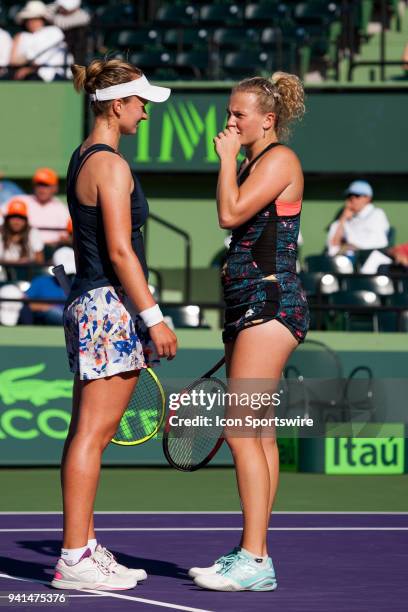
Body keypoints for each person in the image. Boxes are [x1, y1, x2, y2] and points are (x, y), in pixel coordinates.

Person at [50, 58, 177, 591]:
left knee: (86, 433)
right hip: (108, 306)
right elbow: (122, 252)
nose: (146, 112)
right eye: (141, 102)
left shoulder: (84, 157)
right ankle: (75, 556)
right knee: (93, 434)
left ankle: (84, 545)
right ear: (118, 104)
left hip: (89, 302)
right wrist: (155, 318)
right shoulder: (112, 166)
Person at [190, 73, 309, 592]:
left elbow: (228, 213)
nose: (230, 123)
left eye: (239, 115)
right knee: (258, 433)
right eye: (228, 113)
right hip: (246, 304)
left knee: (241, 430)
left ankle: (256, 558)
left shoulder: (279, 160)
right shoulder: (253, 161)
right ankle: (250, 550)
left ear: (269, 119)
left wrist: (223, 161)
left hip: (270, 302)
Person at [1, 167, 70, 246]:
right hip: (22, 247)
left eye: (46, 185)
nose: (42, 189)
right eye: (39, 185)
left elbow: (67, 236)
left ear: (55, 188)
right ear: (33, 186)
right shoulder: (20, 200)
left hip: (52, 249)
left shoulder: (62, 209)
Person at [10, 0, 72, 82]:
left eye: (36, 18)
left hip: (58, 77)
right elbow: (13, 61)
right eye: (29, 19)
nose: (32, 22)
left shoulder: (54, 32)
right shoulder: (24, 36)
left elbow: (37, 58)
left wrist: (27, 69)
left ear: (43, 19)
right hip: (36, 77)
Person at [326, 180, 390, 257]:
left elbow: (378, 243)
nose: (352, 199)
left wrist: (353, 247)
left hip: (372, 259)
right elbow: (333, 246)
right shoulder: (345, 217)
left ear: (368, 198)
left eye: (357, 195)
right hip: (349, 261)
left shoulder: (377, 214)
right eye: (349, 196)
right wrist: (343, 219)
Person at [21, 247, 73, 325]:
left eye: (71, 274)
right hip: (55, 318)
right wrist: (46, 307)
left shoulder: (78, 284)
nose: (68, 276)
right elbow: (27, 303)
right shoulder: (41, 281)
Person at [0, 199, 44, 264]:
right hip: (3, 271)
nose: (16, 222)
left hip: (27, 271)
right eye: (13, 217)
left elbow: (40, 260)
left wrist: (28, 262)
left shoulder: (33, 232)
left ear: (26, 220)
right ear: (7, 220)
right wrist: (16, 263)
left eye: (20, 218)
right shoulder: (1, 232)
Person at [47, 0, 90, 64]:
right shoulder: (55, 12)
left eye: (64, 7)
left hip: (72, 58)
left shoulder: (83, 18)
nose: (61, 9)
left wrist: (53, 20)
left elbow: (60, 23)